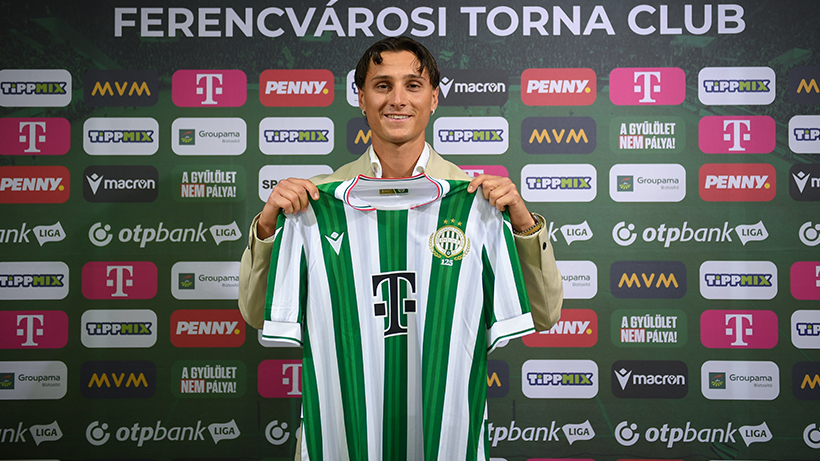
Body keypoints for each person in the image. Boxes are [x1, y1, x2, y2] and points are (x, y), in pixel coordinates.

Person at [238, 36, 562, 460]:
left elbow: (545, 313)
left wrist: (522, 225)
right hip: (345, 440)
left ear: (434, 98)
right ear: (361, 98)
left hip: (442, 440)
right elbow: (256, 313)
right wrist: (268, 229)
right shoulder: (314, 202)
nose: (397, 99)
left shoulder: (477, 203)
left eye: (413, 85)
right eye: (382, 85)